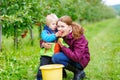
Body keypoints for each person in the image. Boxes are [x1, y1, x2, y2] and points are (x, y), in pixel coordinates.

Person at [42, 16, 90, 80]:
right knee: (54, 56)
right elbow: (47, 37)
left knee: (56, 57)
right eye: (58, 26)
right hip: (70, 56)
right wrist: (43, 44)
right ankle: (62, 73)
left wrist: (62, 46)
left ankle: (78, 71)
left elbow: (76, 57)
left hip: (80, 61)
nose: (59, 29)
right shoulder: (62, 33)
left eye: (62, 26)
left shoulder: (78, 37)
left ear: (69, 27)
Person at [36, 13, 62, 80]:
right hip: (46, 53)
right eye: (53, 24)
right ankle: (39, 77)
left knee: (55, 65)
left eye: (56, 24)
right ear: (48, 24)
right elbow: (46, 38)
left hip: (54, 52)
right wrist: (55, 35)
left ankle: (60, 74)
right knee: (43, 66)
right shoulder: (45, 32)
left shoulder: (57, 31)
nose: (55, 26)